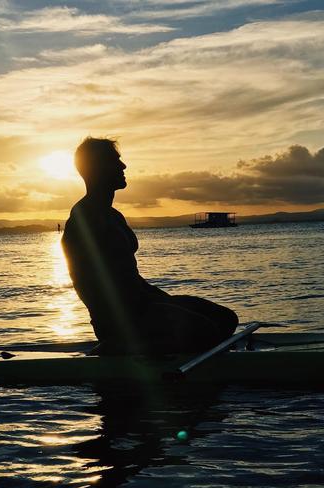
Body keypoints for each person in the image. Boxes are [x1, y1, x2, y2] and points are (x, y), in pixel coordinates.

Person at [62, 137, 238, 355]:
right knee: (206, 331)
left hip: (144, 306)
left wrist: (165, 302)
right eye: (115, 161)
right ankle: (120, 348)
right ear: (97, 168)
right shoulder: (86, 218)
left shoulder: (113, 216)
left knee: (226, 319)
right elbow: (89, 283)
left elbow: (129, 277)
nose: (123, 166)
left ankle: (162, 347)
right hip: (121, 319)